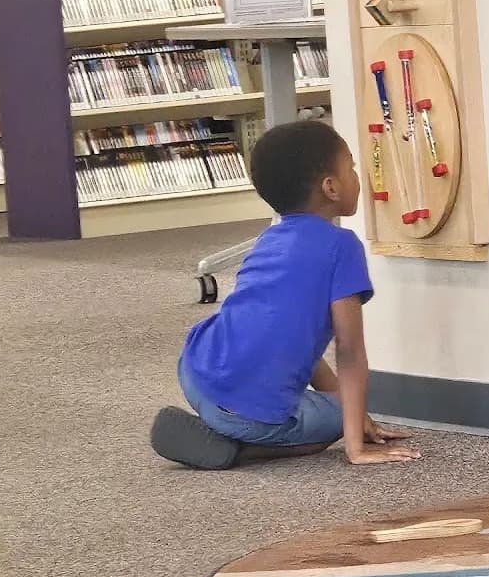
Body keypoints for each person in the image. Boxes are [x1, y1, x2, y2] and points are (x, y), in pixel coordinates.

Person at [151, 120, 420, 470]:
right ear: (331, 187)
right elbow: (350, 350)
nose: (358, 176)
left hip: (196, 371)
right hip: (242, 412)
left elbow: (288, 338)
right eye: (352, 167)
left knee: (339, 408)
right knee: (332, 425)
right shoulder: (342, 247)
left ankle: (222, 426)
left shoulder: (270, 238)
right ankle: (235, 449)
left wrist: (350, 410)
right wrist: (354, 439)